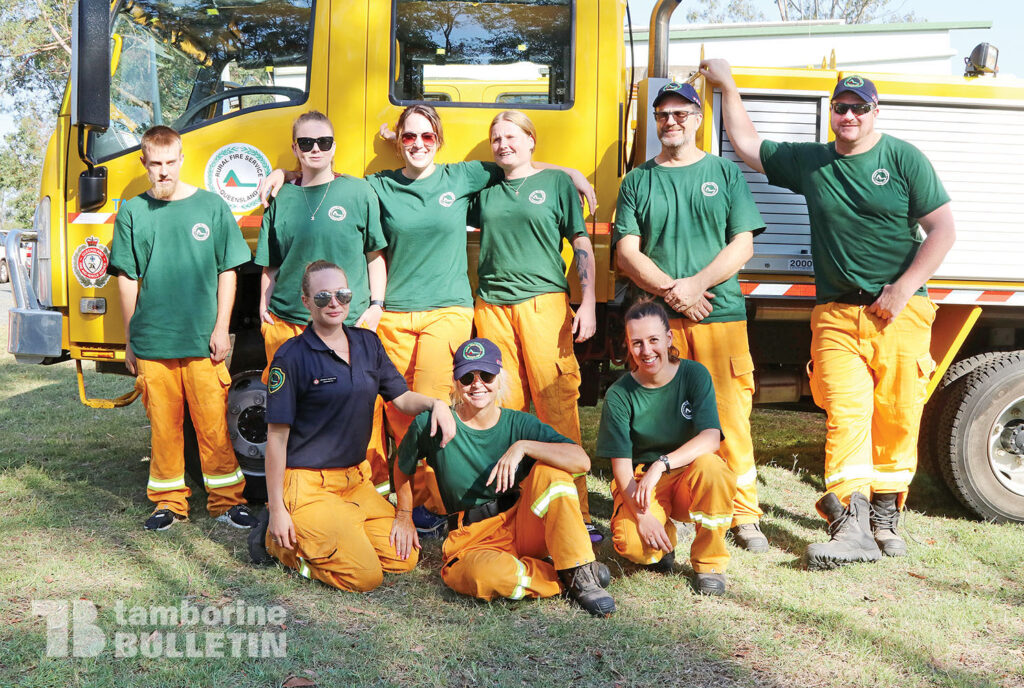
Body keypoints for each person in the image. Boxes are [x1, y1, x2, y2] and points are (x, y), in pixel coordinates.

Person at [260, 105, 600, 539]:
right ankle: (416, 503)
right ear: (399, 142)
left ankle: (472, 503)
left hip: (450, 309)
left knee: (438, 402)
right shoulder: (378, 185)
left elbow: (515, 161)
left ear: (438, 140)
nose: (417, 144)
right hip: (397, 311)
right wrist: (283, 174)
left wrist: (568, 170)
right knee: (398, 415)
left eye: (426, 136)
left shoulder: (461, 177)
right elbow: (323, 176)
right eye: (408, 137)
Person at [700, 60, 956, 568]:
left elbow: (943, 229)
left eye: (860, 108)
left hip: (901, 312)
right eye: (841, 107)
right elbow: (749, 149)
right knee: (845, 416)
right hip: (837, 316)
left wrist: (903, 290)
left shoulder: (904, 159)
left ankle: (886, 516)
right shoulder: (814, 162)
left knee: (899, 417)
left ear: (875, 112)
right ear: (831, 113)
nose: (850, 115)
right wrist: (728, 87)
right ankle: (851, 527)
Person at [615, 81, 768, 553]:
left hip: (717, 313)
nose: (672, 121)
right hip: (657, 325)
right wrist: (671, 291)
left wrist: (695, 286)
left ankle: (743, 515)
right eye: (663, 114)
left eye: (681, 113)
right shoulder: (638, 180)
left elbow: (743, 243)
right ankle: (658, 501)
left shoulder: (724, 173)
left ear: (699, 119)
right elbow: (625, 252)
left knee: (729, 417)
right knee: (660, 417)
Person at [248, 260, 456, 592]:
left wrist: (436, 403)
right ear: (306, 301)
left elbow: (401, 398)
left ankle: (339, 532)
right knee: (364, 576)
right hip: (308, 485)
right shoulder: (291, 357)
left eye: (342, 294)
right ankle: (279, 544)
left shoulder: (367, 344)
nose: (334, 303)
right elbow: (276, 439)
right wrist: (276, 509)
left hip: (354, 482)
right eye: (322, 297)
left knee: (403, 558)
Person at [392, 337, 615, 616]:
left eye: (486, 375)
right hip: (471, 536)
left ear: (499, 379)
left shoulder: (518, 423)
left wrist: (523, 447)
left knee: (553, 473)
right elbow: (403, 466)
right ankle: (568, 574)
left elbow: (580, 461)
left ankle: (580, 573)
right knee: (482, 577)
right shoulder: (433, 424)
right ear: (456, 382)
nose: (477, 384)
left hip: (522, 524)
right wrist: (403, 515)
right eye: (467, 377)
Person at [109, 125, 256, 532]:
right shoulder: (134, 211)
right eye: (154, 164)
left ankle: (228, 502)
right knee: (164, 427)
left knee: (212, 424)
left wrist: (221, 328)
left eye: (170, 162)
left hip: (201, 339)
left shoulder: (211, 206)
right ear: (144, 164)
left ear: (181, 159)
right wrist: (130, 338)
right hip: (154, 340)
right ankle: (168, 503)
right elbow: (127, 276)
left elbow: (229, 270)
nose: (163, 172)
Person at [472, 110, 599, 537]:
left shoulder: (556, 185)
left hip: (544, 304)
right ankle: (514, 504)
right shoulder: (484, 189)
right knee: (503, 406)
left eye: (511, 136)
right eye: (496, 139)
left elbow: (580, 243)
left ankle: (575, 510)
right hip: (492, 307)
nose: (503, 144)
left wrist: (589, 303)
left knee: (555, 401)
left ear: (531, 140)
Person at [254, 110, 390, 493]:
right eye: (306, 143)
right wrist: (262, 306)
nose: (316, 149)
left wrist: (376, 306)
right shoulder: (281, 197)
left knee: (364, 410)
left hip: (347, 326)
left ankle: (371, 490)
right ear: (294, 148)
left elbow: (374, 256)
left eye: (324, 142)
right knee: (288, 414)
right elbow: (272, 263)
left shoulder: (359, 192)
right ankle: (292, 491)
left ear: (334, 147)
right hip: (289, 322)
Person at [597, 300, 737, 595]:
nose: (646, 351)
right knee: (633, 546)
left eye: (653, 340)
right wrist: (643, 517)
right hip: (642, 483)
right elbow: (621, 468)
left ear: (669, 339)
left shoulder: (694, 375)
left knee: (713, 468)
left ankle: (709, 563)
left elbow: (711, 438)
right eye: (637, 343)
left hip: (689, 475)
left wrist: (661, 464)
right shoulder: (619, 394)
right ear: (628, 345)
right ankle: (664, 541)